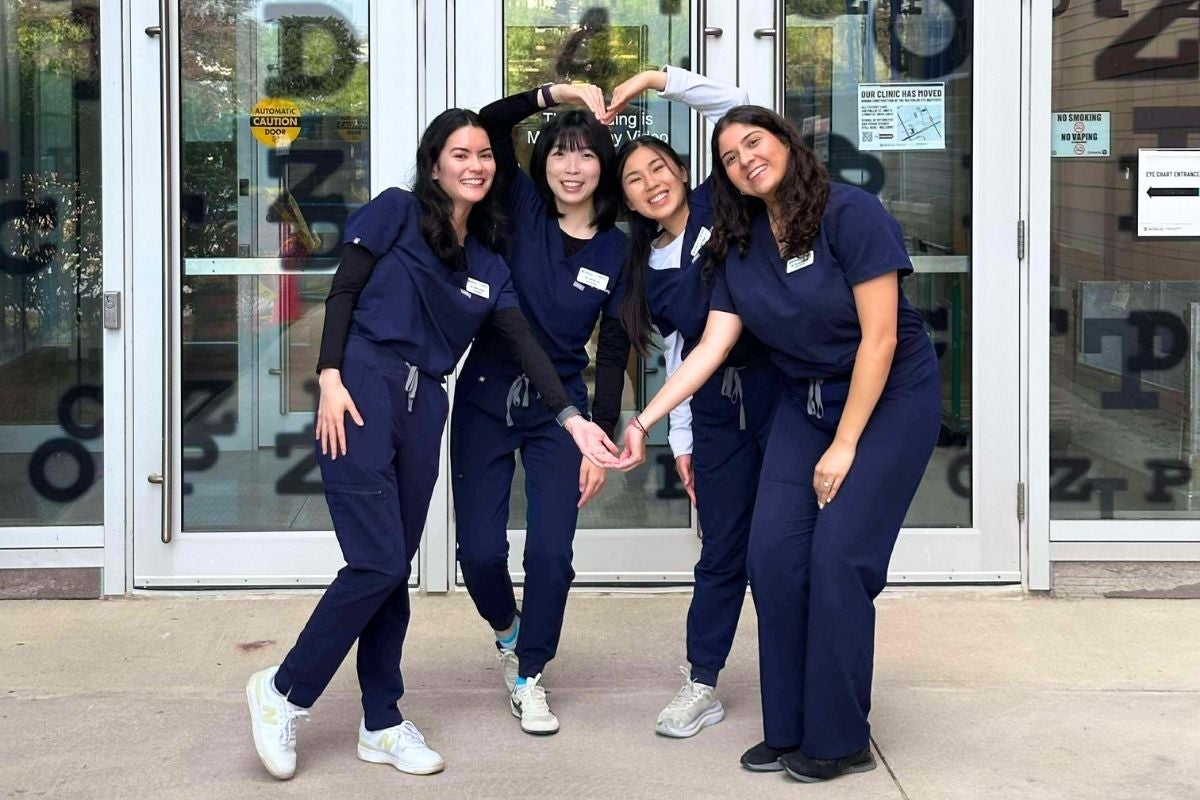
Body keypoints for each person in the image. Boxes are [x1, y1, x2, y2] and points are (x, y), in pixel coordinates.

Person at [245, 108, 617, 781]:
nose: (475, 164)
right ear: (435, 162)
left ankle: (381, 721)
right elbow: (344, 291)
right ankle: (282, 691)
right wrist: (329, 376)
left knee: (394, 569)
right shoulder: (394, 211)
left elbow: (527, 347)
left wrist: (570, 418)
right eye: (460, 153)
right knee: (378, 562)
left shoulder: (488, 259)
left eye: (483, 155)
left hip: (427, 403)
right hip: (362, 384)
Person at [615, 105, 941, 783]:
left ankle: (840, 735)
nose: (744, 161)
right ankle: (790, 725)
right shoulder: (737, 244)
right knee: (772, 556)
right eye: (730, 157)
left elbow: (880, 339)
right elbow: (711, 346)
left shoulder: (851, 214)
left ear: (786, 143)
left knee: (838, 558)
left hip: (887, 401)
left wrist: (846, 442)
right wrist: (643, 420)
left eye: (753, 143)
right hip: (804, 401)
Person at [450, 81, 630, 736]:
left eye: (585, 156)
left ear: (603, 166)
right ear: (543, 162)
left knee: (552, 554)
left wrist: (600, 441)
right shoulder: (520, 210)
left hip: (564, 412)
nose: (572, 167)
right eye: (560, 153)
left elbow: (613, 349)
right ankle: (507, 631)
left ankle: (530, 674)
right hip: (486, 397)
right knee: (477, 554)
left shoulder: (618, 246)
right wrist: (554, 92)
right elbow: (491, 120)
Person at [609, 67, 777, 738]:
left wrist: (656, 78)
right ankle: (702, 682)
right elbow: (683, 352)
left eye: (659, 168)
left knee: (785, 545)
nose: (652, 183)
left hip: (779, 394)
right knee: (722, 552)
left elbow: (743, 109)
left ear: (682, 168)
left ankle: (799, 672)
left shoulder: (722, 203)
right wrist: (681, 441)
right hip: (713, 415)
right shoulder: (644, 265)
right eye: (635, 180)